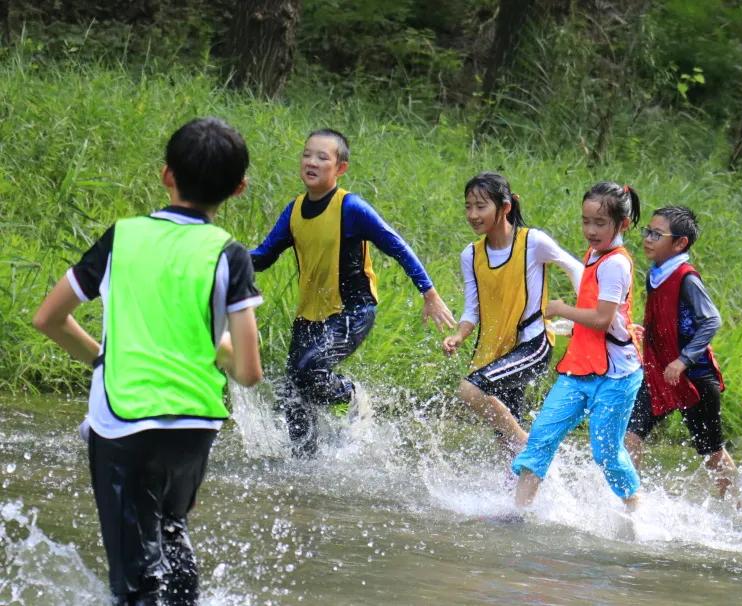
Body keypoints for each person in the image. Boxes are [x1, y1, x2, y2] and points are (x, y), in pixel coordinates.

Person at [32, 117, 264, 605]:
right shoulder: (230, 255)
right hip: (195, 424)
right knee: (170, 531)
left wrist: (101, 359)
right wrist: (211, 348)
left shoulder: (123, 238)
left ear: (166, 175)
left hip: (123, 422)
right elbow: (248, 371)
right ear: (239, 188)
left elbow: (49, 319)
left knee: (135, 580)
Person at [250, 129, 455, 457]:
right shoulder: (294, 210)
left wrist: (429, 293)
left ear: (340, 168)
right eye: (307, 155)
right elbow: (262, 257)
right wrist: (223, 256)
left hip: (352, 311)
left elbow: (396, 245)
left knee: (310, 372)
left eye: (322, 157)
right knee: (292, 390)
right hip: (309, 317)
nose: (311, 162)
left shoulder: (351, 207)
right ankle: (307, 464)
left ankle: (355, 395)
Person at [512, 182, 644, 510]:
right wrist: (573, 327)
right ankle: (517, 513)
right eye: (586, 221)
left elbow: (601, 318)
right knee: (541, 435)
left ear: (622, 224)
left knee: (606, 454)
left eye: (600, 223)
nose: (591, 230)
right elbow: (604, 319)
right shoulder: (594, 254)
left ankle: (637, 513)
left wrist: (561, 309)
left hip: (616, 377)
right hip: (581, 367)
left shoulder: (616, 263)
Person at [441, 173, 583, 457]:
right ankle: (533, 484)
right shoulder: (470, 255)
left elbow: (576, 269)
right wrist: (459, 335)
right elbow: (473, 309)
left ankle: (528, 444)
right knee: (506, 444)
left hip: (533, 343)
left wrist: (583, 316)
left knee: (471, 390)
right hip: (494, 351)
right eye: (468, 206)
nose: (472, 214)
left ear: (505, 207)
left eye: (480, 206)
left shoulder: (533, 242)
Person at [624, 206, 735, 497]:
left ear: (680, 243)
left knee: (712, 453)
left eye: (656, 234)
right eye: (647, 232)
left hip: (695, 378)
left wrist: (684, 360)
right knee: (630, 435)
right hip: (660, 374)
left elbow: (711, 320)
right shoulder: (656, 273)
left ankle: (734, 505)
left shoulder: (687, 278)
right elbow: (671, 318)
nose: (648, 238)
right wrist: (648, 332)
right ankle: (632, 504)